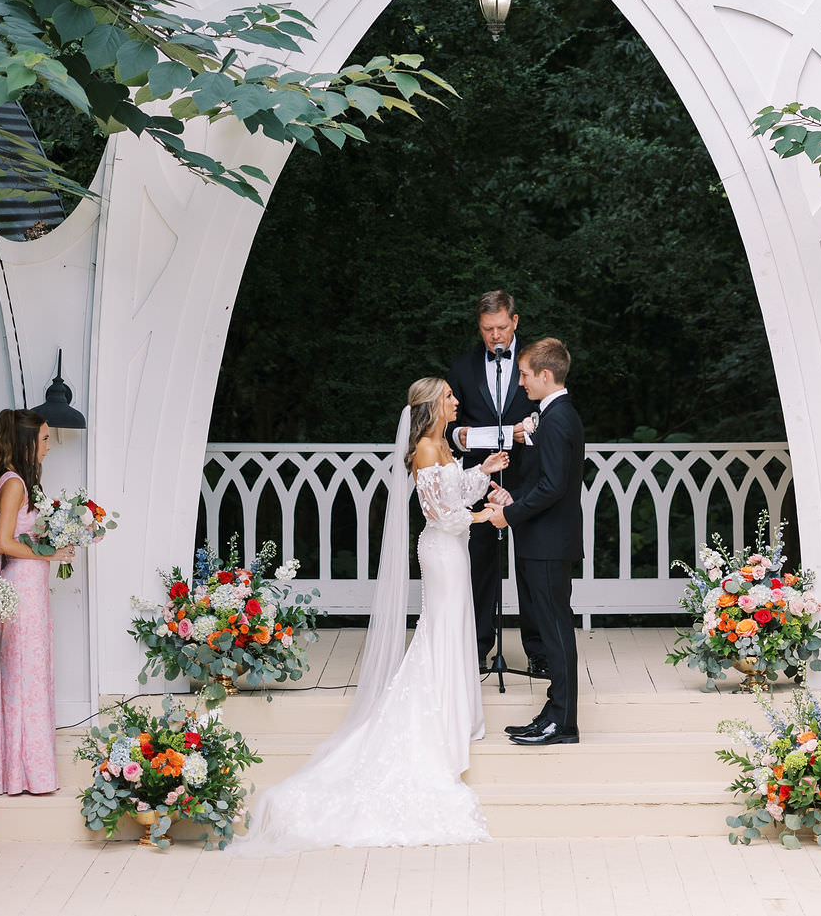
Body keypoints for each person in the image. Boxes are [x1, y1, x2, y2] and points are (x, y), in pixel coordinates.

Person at [232, 377, 509, 854]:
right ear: (432, 405)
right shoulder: (424, 447)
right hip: (442, 550)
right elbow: (440, 513)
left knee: (455, 627)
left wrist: (482, 471)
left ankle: (455, 710)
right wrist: (485, 517)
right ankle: (436, 716)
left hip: (455, 550)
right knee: (439, 628)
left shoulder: (441, 442)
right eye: (449, 397)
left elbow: (456, 489)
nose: (457, 401)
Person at [489, 338, 585, 746]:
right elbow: (546, 484)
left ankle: (563, 722)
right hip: (540, 539)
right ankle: (553, 711)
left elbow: (553, 487)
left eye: (525, 375)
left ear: (545, 375)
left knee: (556, 630)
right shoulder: (552, 414)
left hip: (548, 544)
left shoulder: (559, 417)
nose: (520, 383)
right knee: (550, 630)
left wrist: (508, 515)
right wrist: (514, 499)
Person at [446, 290, 546, 675]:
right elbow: (450, 425)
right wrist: (460, 438)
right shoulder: (464, 367)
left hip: (530, 478)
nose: (496, 336)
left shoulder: (536, 364)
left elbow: (550, 412)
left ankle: (539, 651)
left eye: (502, 327)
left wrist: (529, 432)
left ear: (515, 322)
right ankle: (477, 647)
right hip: (478, 481)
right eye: (488, 329)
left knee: (533, 564)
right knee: (479, 563)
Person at [0, 409, 74, 796]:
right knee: (26, 678)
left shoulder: (15, 482)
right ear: (26, 443)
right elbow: (5, 542)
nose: (48, 446)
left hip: (27, 588)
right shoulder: (15, 485)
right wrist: (51, 554)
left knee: (28, 677)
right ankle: (23, 774)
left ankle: (21, 773)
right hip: (21, 590)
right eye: (43, 439)